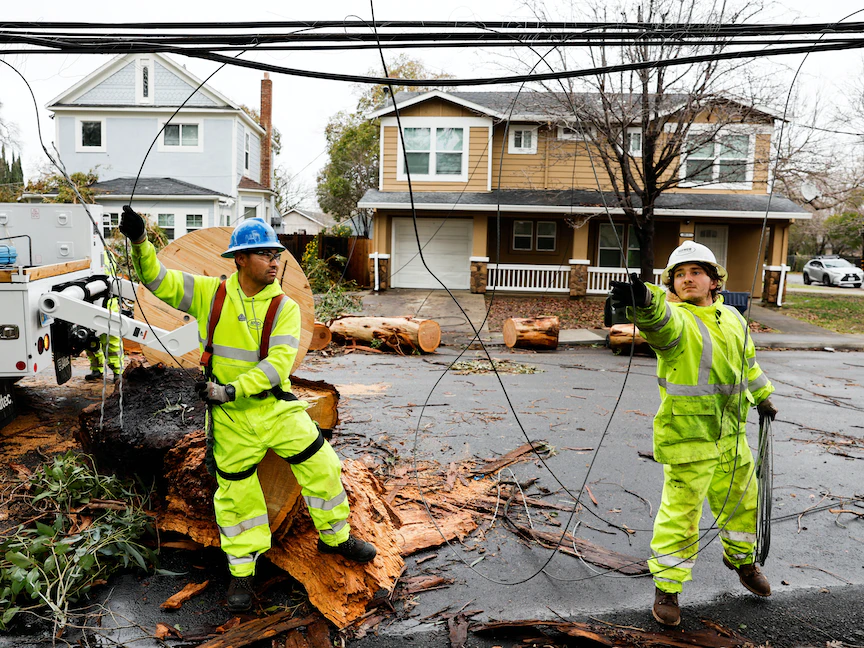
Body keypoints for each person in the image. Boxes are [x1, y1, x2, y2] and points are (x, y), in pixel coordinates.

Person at [119, 207, 376, 613]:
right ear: (240, 259)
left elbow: (277, 367)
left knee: (323, 466)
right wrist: (139, 242)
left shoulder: (285, 307)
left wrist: (231, 390)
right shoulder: (211, 293)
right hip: (230, 421)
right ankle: (243, 570)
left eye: (277, 256)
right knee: (237, 496)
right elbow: (157, 281)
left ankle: (336, 537)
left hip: (274, 408)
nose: (275, 262)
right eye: (264, 255)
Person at [609, 242, 777, 627]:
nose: (687, 279)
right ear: (672, 284)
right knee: (680, 515)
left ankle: (744, 563)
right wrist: (642, 301)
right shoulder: (677, 320)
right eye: (680, 274)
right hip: (688, 436)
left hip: (732, 437)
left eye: (696, 272)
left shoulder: (734, 317)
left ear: (714, 280)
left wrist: (763, 396)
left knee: (741, 504)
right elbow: (658, 321)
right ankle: (668, 588)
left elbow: (748, 362)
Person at [85, 249, 124, 383]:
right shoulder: (101, 253)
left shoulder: (103, 254)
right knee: (89, 340)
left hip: (106, 301)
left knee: (111, 338)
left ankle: (118, 372)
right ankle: (97, 368)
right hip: (89, 301)